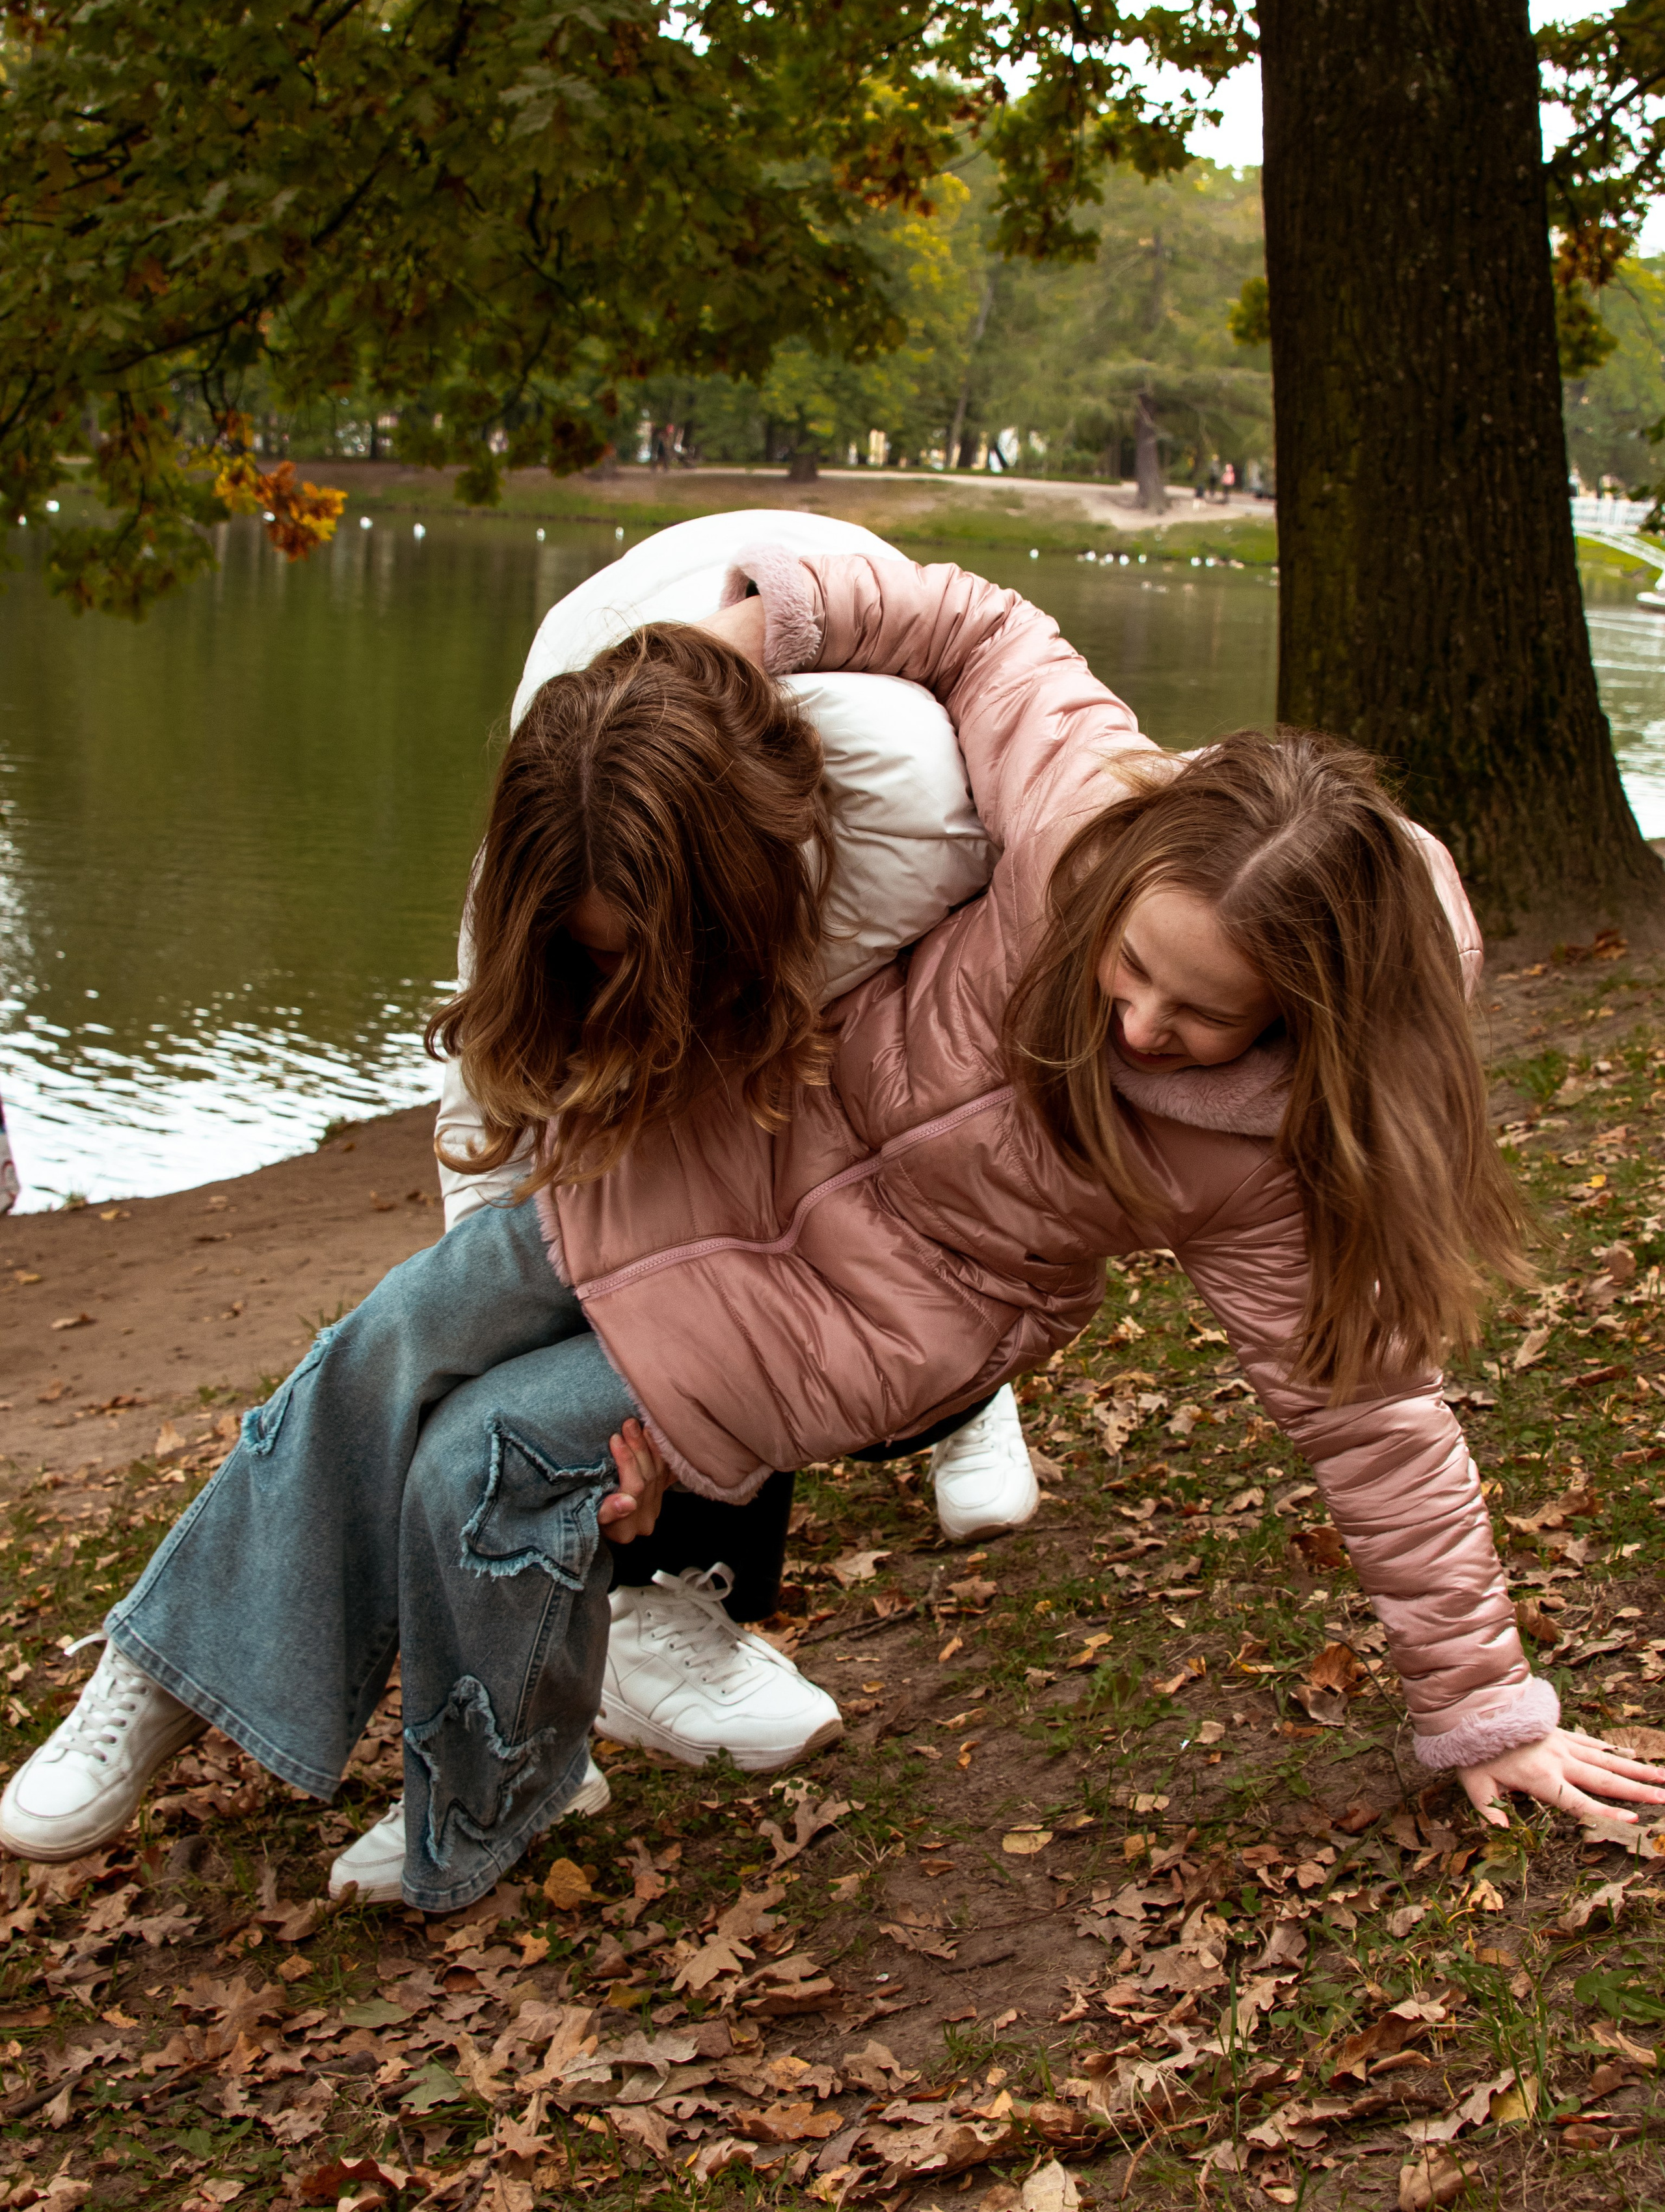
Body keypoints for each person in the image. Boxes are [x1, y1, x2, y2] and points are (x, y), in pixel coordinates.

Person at [6, 552, 1660, 1909]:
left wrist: (1480, 1706)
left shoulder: (1273, 1164)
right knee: (406, 1327)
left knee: (489, 1456)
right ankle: (173, 1679)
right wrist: (759, 625)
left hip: (873, 1317)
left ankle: (499, 1792)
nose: (1138, 1023)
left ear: (1302, 1011)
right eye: (1128, 967)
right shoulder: (1085, 813)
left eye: (1199, 1016)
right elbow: (977, 622)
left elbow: (1368, 1419)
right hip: (741, 1138)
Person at [437, 512, 1040, 1782]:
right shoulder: (548, 834)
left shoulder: (927, 830)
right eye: (598, 952)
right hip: (656, 697)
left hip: (861, 867)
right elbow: (489, 1114)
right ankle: (655, 1611)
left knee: (858, 1126)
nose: (630, 981)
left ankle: (964, 1399)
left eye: (647, 949)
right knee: (641, 1182)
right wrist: (512, 1340)